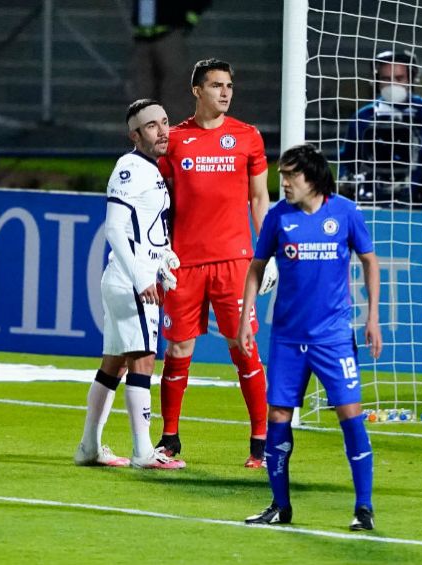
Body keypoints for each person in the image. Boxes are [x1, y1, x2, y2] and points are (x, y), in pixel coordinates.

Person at [238, 143, 382, 530]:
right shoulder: (277, 218)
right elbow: (256, 266)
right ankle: (279, 506)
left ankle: (363, 507)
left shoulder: (346, 213)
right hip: (287, 339)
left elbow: (370, 261)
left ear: (313, 178)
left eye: (290, 176)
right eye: (281, 175)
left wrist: (373, 318)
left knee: (351, 415)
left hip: (333, 338)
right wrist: (243, 316)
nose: (283, 182)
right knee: (279, 416)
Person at [157, 58, 274, 467]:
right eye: (216, 85)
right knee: (178, 348)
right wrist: (157, 252)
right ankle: (169, 439)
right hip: (184, 261)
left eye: (229, 85)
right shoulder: (173, 141)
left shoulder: (247, 137)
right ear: (196, 90)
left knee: (243, 346)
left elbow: (259, 198)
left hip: (234, 261)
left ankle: (261, 441)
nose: (225, 92)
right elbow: (157, 201)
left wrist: (269, 248)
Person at [73, 99, 185, 471]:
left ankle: (89, 446)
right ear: (135, 135)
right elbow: (115, 228)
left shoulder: (151, 171)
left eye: (165, 122)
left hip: (132, 278)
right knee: (143, 360)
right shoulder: (130, 167)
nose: (162, 131)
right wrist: (141, 276)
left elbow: (147, 230)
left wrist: (164, 258)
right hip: (130, 281)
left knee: (114, 366)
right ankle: (142, 451)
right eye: (152, 126)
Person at [338, 48, 422, 207]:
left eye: (399, 78)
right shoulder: (363, 117)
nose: (392, 84)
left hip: (420, 201)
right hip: (373, 199)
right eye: (386, 79)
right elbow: (347, 158)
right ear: (377, 81)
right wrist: (345, 180)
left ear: (411, 79)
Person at [128, 0, 211, 123]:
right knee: (143, 90)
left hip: (168, 34)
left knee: (174, 89)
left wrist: (188, 19)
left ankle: (176, 133)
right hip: (142, 38)